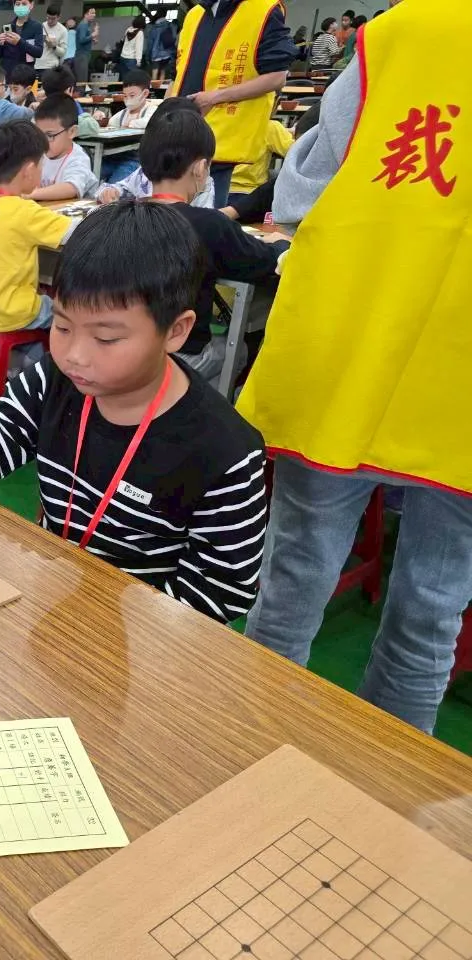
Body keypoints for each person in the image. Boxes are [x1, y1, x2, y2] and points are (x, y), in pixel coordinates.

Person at [238, 0, 470, 735]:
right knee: (431, 615)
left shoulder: (401, 36)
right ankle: (382, 790)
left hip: (349, 353)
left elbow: (298, 195)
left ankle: (249, 763)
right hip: (458, 396)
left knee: (292, 585)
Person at [0, 201, 268, 624]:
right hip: (47, 602)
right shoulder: (54, 380)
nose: (74, 355)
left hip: (137, 636)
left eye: (106, 338)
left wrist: (97, 625)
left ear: (176, 330)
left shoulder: (225, 453)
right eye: (62, 326)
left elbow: (221, 594)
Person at [141, 108, 286, 384]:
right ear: (200, 168)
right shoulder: (208, 224)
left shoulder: (120, 215)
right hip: (181, 354)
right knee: (237, 351)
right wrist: (279, 243)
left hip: (131, 347)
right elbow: (265, 262)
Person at [0, 120, 72, 366]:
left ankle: (16, 363)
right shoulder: (25, 211)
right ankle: (42, 371)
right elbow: (73, 233)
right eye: (41, 165)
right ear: (29, 170)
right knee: (66, 313)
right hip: (13, 313)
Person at [169, 0, 296, 205]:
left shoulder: (262, 9)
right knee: (172, 211)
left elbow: (276, 77)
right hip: (178, 134)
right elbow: (178, 73)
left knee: (207, 213)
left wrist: (214, 97)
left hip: (221, 138)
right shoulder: (195, 14)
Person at [96, 97, 215, 207]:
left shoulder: (202, 179)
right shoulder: (146, 171)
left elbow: (205, 214)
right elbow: (121, 188)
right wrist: (109, 192)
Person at [28, 93, 97, 201]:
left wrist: (30, 194)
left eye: (50, 135)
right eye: (39, 135)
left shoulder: (78, 159)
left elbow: (71, 188)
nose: (42, 142)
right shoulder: (39, 154)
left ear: (72, 132)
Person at [0, 0, 42, 77]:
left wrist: (19, 42)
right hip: (8, 74)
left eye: (24, 4)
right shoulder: (8, 26)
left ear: (31, 5)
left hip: (26, 75)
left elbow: (38, 52)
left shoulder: (36, 26)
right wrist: (0, 44)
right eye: (17, 4)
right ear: (14, 6)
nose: (20, 6)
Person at [145, 10, 176, 82]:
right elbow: (174, 38)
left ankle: (154, 88)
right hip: (167, 53)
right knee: (163, 71)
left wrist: (147, 56)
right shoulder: (170, 25)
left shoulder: (154, 28)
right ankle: (161, 87)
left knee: (154, 73)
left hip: (156, 53)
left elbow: (150, 43)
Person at [38, 3, 67, 71]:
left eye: (53, 19)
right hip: (38, 65)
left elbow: (63, 53)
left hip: (52, 66)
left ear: (59, 17)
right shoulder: (40, 26)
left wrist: (54, 47)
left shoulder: (63, 30)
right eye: (48, 17)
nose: (50, 21)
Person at [71, 6, 96, 82]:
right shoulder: (83, 25)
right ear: (86, 14)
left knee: (82, 81)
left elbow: (83, 38)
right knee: (81, 82)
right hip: (81, 56)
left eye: (94, 13)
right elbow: (82, 40)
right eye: (92, 13)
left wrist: (92, 38)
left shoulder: (86, 25)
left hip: (83, 56)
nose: (94, 15)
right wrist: (92, 35)